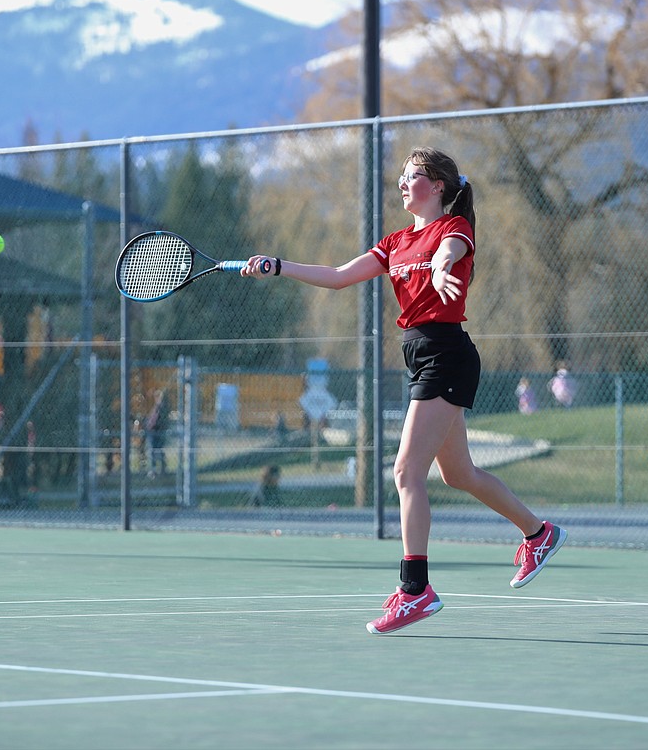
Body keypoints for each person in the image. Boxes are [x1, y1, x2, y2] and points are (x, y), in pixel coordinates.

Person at [241, 146, 566, 635]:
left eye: (412, 176)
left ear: (437, 186)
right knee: (458, 474)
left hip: (445, 353)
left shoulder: (452, 229)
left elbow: (453, 250)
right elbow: (336, 278)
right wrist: (279, 265)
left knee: (405, 470)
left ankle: (416, 590)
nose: (401, 183)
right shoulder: (394, 243)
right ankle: (539, 534)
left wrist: (439, 267)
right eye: (401, 176)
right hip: (420, 354)